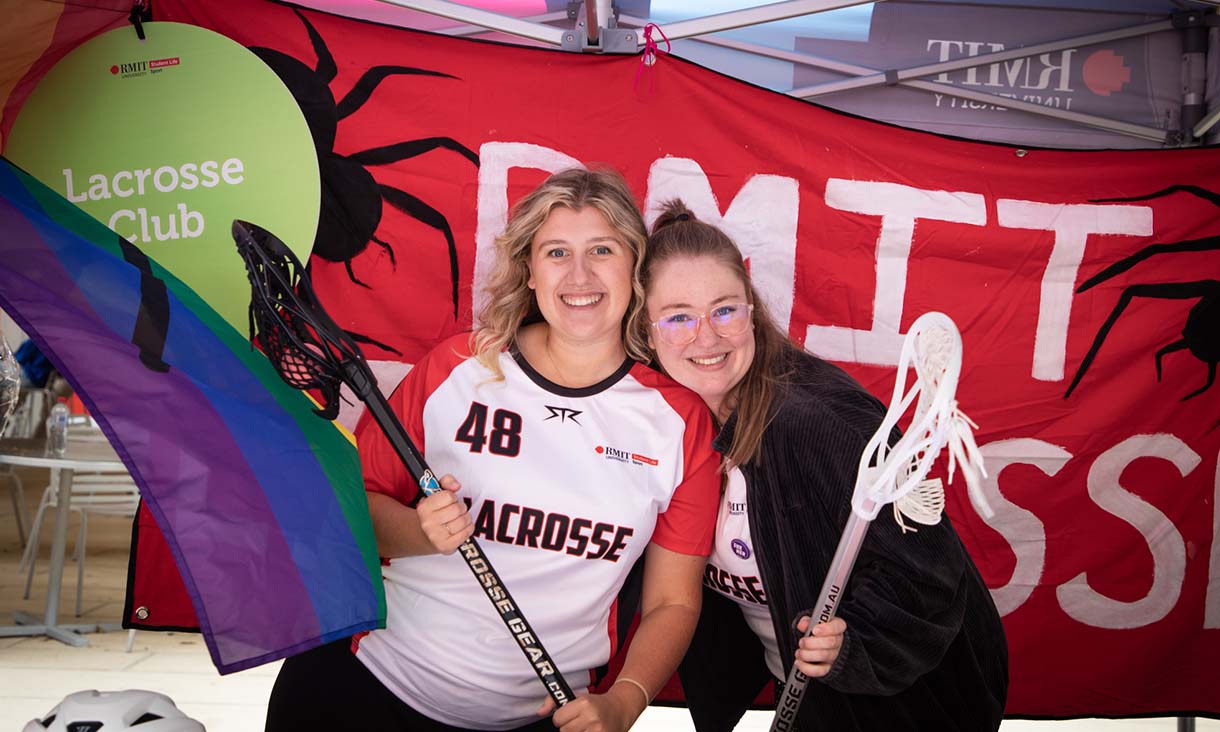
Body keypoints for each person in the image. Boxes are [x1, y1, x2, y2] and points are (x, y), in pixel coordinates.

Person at [266, 170, 719, 732]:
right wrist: (420, 531)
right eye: (556, 252)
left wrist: (625, 700)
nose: (580, 275)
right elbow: (351, 513)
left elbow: (672, 603)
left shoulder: (680, 424)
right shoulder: (456, 369)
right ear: (529, 271)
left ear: (635, 266)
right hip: (361, 691)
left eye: (602, 249)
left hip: (538, 718)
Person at [635, 201, 1008, 731]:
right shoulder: (672, 421)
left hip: (906, 711)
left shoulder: (816, 422)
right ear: (647, 329)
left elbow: (928, 572)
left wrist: (854, 644)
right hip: (804, 703)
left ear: (750, 301)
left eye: (724, 309)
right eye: (678, 318)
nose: (707, 337)